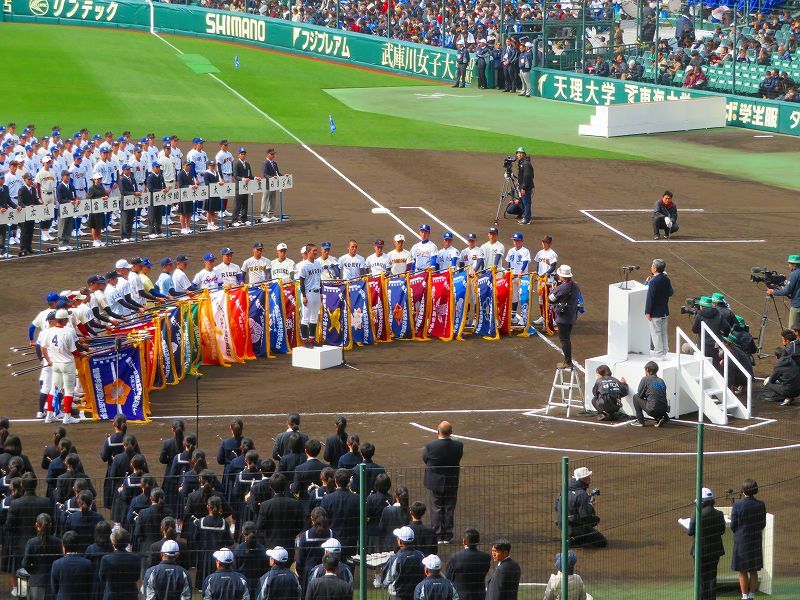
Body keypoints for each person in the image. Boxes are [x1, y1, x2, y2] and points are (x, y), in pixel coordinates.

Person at [422, 421, 463, 545]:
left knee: (436, 508)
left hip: (435, 481)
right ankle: (447, 535)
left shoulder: (430, 446)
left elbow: (425, 459)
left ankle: (438, 534)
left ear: (438, 431)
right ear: (451, 432)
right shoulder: (458, 445)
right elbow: (458, 457)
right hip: (451, 480)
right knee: (449, 507)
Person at [731, 479, 767, 600]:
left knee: (742, 570)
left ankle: (744, 596)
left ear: (743, 490)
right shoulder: (760, 504)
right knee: (753, 570)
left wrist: (739, 532)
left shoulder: (737, 505)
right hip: (755, 540)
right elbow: (763, 523)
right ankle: (751, 595)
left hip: (741, 541)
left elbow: (733, 525)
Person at [687, 488, 726, 600]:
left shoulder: (696, 514)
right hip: (715, 551)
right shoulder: (719, 514)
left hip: (700, 551)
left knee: (701, 578)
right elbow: (722, 530)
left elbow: (690, 532)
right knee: (712, 577)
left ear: (702, 502)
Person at [556, 467, 607, 548]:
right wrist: (590, 506)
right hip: (574, 527)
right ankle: (575, 540)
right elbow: (585, 516)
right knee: (602, 542)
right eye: (588, 477)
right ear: (583, 479)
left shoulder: (565, 488)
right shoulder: (581, 494)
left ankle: (572, 537)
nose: (590, 479)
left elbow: (556, 507)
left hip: (562, 524)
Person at [320, 469, 360, 559]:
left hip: (332, 540)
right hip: (351, 541)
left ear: (335, 481)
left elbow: (323, 519)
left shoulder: (327, 499)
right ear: (349, 482)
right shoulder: (357, 499)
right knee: (350, 567)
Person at [22, 513, 61, 600]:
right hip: (53, 583)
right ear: (50, 525)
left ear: (36, 525)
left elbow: (25, 563)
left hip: (36, 582)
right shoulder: (58, 542)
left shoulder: (31, 542)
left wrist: (34, 571)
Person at [379, 526, 425, 600]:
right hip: (417, 595)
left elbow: (384, 581)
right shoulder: (421, 556)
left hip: (398, 597)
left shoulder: (395, 559)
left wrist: (378, 574)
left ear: (400, 542)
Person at [444, 528, 491, 600]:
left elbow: (448, 578)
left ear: (464, 541)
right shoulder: (486, 557)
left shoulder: (455, 557)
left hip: (460, 596)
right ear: (478, 541)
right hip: (480, 596)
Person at [549, 265, 581, 369]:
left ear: (562, 277)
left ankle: (568, 361)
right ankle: (568, 361)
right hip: (572, 315)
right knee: (567, 338)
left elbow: (550, 299)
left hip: (563, 317)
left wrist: (554, 289)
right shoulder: (575, 286)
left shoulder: (562, 288)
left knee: (564, 340)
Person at [98, 527, 142, 600]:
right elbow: (136, 577)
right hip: (130, 595)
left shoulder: (106, 559)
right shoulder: (135, 558)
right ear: (127, 542)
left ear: (113, 543)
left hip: (112, 596)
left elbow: (102, 578)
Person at [51, 530, 93, 599]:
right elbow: (90, 587)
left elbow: (54, 589)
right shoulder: (87, 564)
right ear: (78, 545)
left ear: (64, 546)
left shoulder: (56, 564)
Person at [645, 258, 674, 356]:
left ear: (655, 268)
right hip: (664, 311)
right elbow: (670, 292)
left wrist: (647, 312)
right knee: (663, 333)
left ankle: (659, 353)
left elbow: (650, 297)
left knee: (656, 333)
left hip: (655, 313)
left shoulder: (653, 281)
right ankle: (665, 352)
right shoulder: (666, 279)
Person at [632, 361, 670, 427]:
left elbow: (640, 394)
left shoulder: (645, 379)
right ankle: (660, 418)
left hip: (653, 410)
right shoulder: (661, 380)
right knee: (655, 399)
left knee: (636, 397)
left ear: (647, 370)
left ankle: (640, 421)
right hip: (664, 410)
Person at [767, 254, 800, 329]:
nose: (788, 266)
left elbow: (786, 291)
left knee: (793, 330)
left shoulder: (795, 274)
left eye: (789, 264)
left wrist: (773, 292)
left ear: (794, 264)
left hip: (797, 307)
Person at [232, 147, 253, 226]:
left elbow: (250, 175)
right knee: (237, 204)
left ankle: (244, 219)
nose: (243, 155)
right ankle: (234, 220)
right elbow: (235, 176)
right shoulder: (236, 164)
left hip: (245, 187)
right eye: (242, 154)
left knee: (245, 203)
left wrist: (254, 178)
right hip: (239, 187)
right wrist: (243, 179)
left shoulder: (247, 164)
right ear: (238, 155)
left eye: (244, 154)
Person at [260, 148, 281, 223]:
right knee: (265, 200)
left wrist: (284, 176)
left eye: (273, 154)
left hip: (273, 185)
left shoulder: (274, 163)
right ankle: (263, 215)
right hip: (267, 184)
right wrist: (271, 177)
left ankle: (270, 214)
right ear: (267, 154)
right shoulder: (265, 163)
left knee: (272, 199)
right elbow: (265, 174)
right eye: (272, 154)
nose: (273, 155)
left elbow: (277, 173)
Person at [515, 148, 534, 225]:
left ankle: (527, 219)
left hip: (526, 187)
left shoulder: (526, 163)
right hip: (522, 185)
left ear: (524, 154)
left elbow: (527, 176)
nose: (519, 154)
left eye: (521, 153)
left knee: (526, 203)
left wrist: (523, 187)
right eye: (518, 153)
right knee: (524, 202)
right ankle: (525, 217)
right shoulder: (522, 162)